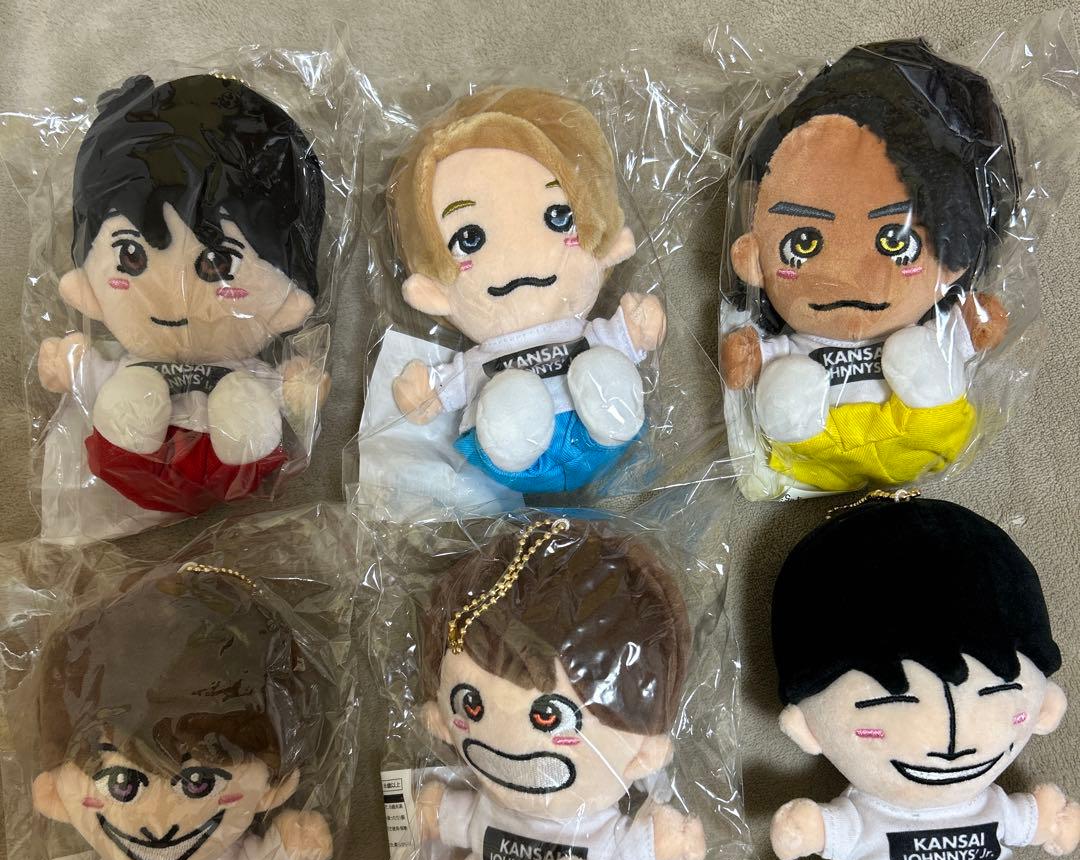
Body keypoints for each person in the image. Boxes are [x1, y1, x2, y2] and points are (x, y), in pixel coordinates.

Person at [384, 519, 705, 860]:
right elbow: (463, 819)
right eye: (470, 706)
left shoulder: (599, 824)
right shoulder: (492, 805)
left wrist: (669, 841)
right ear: (442, 718)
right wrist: (432, 812)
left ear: (642, 751)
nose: (511, 742)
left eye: (549, 718)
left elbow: (630, 848)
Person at [770, 495, 1080, 860]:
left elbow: (1025, 820)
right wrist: (810, 829)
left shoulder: (992, 802)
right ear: (808, 728)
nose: (952, 747)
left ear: (1045, 709)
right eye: (892, 704)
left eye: (996, 694)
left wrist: (1049, 821)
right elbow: (836, 828)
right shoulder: (865, 810)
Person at [30, 565, 333, 860]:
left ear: (272, 789)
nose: (159, 824)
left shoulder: (230, 858)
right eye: (123, 784)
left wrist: (292, 845)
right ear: (55, 797)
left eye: (197, 783)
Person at [722, 40, 1018, 493]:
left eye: (894, 240)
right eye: (803, 244)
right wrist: (750, 355)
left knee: (918, 350)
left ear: (950, 256)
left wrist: (972, 324)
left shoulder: (926, 317)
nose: (849, 275)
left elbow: (970, 331)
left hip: (922, 431)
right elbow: (758, 359)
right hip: (815, 449)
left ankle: (929, 408)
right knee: (787, 384)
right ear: (753, 260)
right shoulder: (793, 342)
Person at [36, 73, 328, 521]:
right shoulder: (128, 359)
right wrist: (71, 366)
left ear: (288, 301)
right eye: (131, 256)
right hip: (129, 464)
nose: (172, 296)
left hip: (234, 469)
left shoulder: (243, 364)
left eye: (217, 263)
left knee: (243, 399)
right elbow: (90, 373)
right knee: (131, 392)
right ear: (87, 289)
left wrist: (296, 387)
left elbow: (285, 389)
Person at [387, 88, 666, 492]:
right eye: (469, 239)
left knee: (602, 366)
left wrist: (636, 325)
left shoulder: (583, 331)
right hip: (513, 464)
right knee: (508, 399)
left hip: (601, 439)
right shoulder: (479, 361)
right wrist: (427, 391)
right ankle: (515, 431)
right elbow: (448, 387)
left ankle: (611, 418)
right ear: (434, 290)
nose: (518, 252)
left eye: (558, 216)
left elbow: (626, 336)